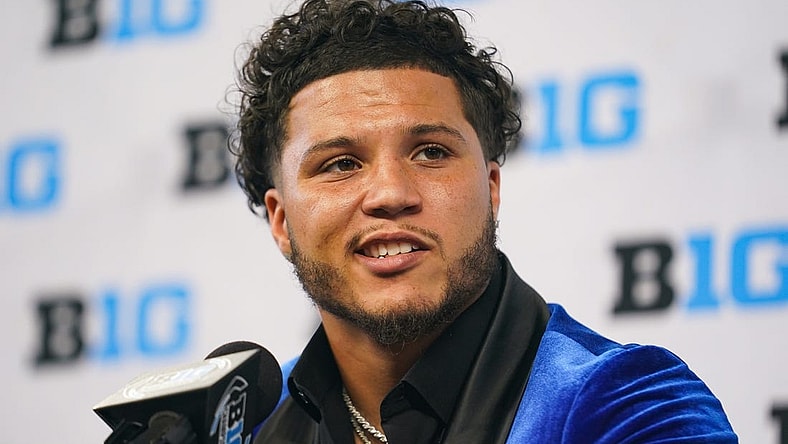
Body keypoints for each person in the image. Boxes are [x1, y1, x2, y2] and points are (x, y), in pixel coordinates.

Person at [230, 0, 737, 442]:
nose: (390, 194)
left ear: (491, 191)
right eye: (341, 164)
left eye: (430, 152)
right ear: (280, 221)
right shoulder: (244, 425)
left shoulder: (624, 402)